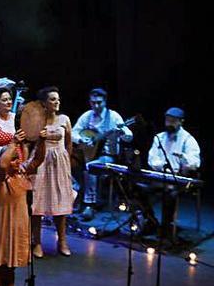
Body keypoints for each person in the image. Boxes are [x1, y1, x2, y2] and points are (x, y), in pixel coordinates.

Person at [0, 131, 46, 286]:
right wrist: (12, 143)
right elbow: (3, 164)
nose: (16, 162)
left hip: (18, 225)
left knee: (10, 268)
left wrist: (42, 140)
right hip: (1, 226)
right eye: (13, 159)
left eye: (17, 159)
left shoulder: (21, 172)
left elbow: (38, 159)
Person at [71, 88, 134, 220]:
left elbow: (129, 136)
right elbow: (73, 133)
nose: (96, 106)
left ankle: (90, 204)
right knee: (64, 162)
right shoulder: (87, 116)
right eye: (93, 103)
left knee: (90, 168)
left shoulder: (114, 117)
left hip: (107, 155)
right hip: (88, 154)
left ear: (105, 102)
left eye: (99, 102)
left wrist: (122, 133)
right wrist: (82, 140)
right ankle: (73, 193)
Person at [31, 87, 76, 257]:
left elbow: (69, 143)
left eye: (57, 99)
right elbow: (30, 142)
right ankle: (37, 242)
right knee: (38, 203)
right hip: (41, 161)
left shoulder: (64, 119)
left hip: (59, 162)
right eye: (52, 99)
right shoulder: (37, 121)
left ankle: (62, 240)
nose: (57, 102)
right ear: (44, 103)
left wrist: (65, 162)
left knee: (61, 201)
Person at [147, 107, 201, 238]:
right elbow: (152, 158)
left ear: (181, 122)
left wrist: (183, 158)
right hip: (161, 175)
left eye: (173, 121)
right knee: (138, 189)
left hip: (179, 177)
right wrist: (163, 166)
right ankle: (150, 221)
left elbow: (196, 163)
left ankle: (166, 226)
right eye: (167, 120)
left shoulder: (188, 139)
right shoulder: (159, 137)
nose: (169, 123)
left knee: (170, 193)